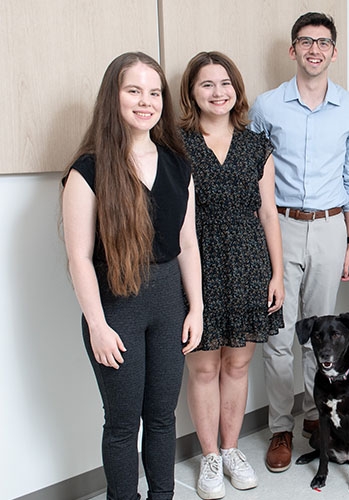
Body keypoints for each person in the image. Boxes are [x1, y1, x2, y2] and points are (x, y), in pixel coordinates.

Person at [61, 52, 203, 500]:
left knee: (162, 418)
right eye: (134, 90)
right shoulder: (88, 170)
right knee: (123, 424)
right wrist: (98, 325)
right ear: (113, 97)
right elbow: (79, 258)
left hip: (168, 304)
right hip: (116, 308)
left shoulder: (179, 165)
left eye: (155, 92)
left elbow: (188, 243)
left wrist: (196, 305)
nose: (146, 101)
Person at [248, 11, 349, 473]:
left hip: (332, 226)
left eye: (323, 42)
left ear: (333, 52)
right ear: (292, 49)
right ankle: (282, 426)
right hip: (278, 227)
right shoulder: (266, 106)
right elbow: (253, 175)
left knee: (321, 338)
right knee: (279, 334)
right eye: (306, 41)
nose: (314, 49)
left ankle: (318, 419)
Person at [178, 51, 285, 499]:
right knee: (203, 367)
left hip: (249, 264)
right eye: (207, 84)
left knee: (238, 364)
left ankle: (231, 448)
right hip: (197, 264)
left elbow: (268, 213)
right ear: (192, 93)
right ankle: (209, 459)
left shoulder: (255, 144)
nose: (218, 92)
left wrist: (277, 273)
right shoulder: (177, 145)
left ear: (236, 90)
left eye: (225, 83)